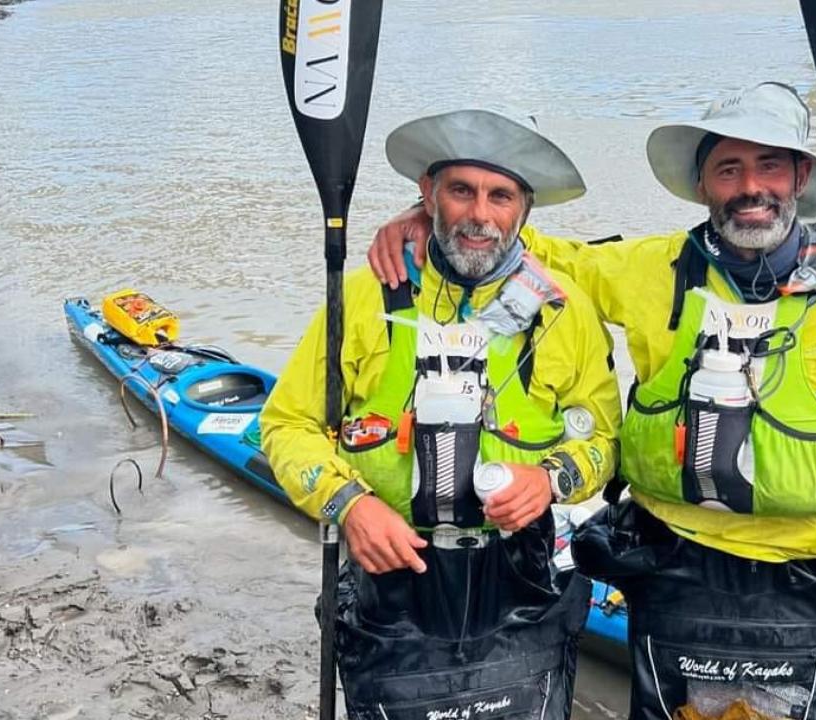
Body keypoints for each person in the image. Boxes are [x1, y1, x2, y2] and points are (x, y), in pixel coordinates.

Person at [366, 82, 816, 720]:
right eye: (728, 169)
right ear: (704, 186)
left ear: (798, 178)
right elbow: (518, 244)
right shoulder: (652, 269)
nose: (749, 187)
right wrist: (425, 212)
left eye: (768, 166)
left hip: (803, 570)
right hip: (672, 559)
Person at [260, 109, 621, 719]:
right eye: (461, 190)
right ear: (427, 196)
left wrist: (551, 478)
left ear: (524, 211)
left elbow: (602, 439)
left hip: (520, 575)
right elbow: (286, 426)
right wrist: (351, 505)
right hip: (395, 573)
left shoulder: (566, 310)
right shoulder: (366, 295)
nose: (480, 214)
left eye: (500, 195)